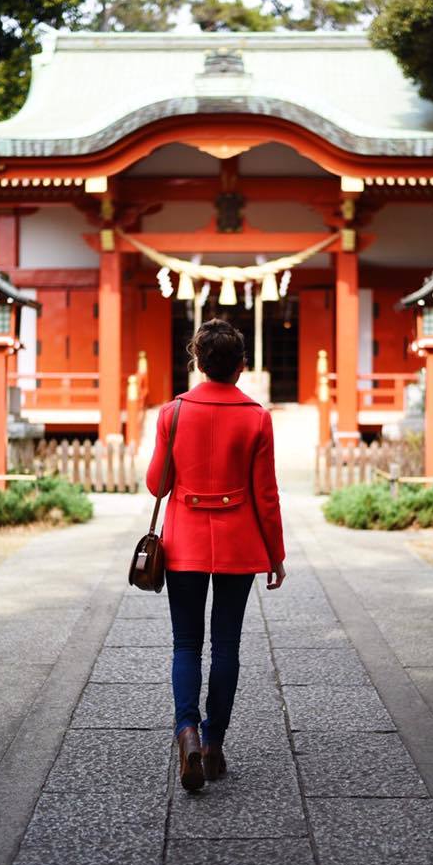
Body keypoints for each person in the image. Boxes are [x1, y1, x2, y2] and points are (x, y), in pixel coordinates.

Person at [146, 318, 286, 793]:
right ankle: (212, 744)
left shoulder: (173, 412)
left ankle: (185, 732)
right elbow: (266, 495)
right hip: (238, 545)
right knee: (226, 645)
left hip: (183, 541)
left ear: (197, 361)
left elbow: (156, 485)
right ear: (241, 366)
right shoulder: (256, 417)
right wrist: (276, 555)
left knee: (186, 644)